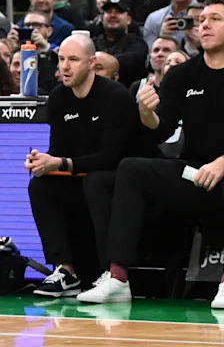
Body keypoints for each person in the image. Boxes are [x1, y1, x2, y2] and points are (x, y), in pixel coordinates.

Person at [77, 0, 224, 306]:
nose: (206, 24)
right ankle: (117, 277)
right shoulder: (184, 74)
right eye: (203, 20)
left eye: (216, 19)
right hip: (194, 172)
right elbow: (162, 128)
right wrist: (146, 111)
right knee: (132, 168)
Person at [26, 35, 155, 298]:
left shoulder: (115, 96)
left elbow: (111, 156)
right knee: (40, 185)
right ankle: (66, 271)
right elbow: (60, 151)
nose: (65, 67)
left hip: (123, 177)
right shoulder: (59, 98)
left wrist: (61, 163)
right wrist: (43, 162)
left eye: (73, 60)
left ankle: (111, 273)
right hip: (83, 174)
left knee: (95, 181)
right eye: (61, 59)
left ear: (92, 62)